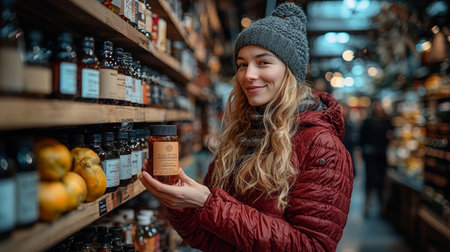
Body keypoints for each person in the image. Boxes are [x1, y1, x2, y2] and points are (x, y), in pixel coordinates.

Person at [140, 3, 353, 251]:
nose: (248, 75)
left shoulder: (322, 146)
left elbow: (311, 246)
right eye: (242, 64)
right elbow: (206, 237)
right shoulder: (240, 134)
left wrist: (208, 202)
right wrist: (180, 203)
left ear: (289, 72)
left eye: (263, 63)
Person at [359, 99, 393, 217]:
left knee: (381, 181)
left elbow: (391, 136)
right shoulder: (367, 122)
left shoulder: (387, 121)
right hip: (370, 156)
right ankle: (367, 205)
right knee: (370, 180)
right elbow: (361, 138)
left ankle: (381, 206)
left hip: (381, 155)